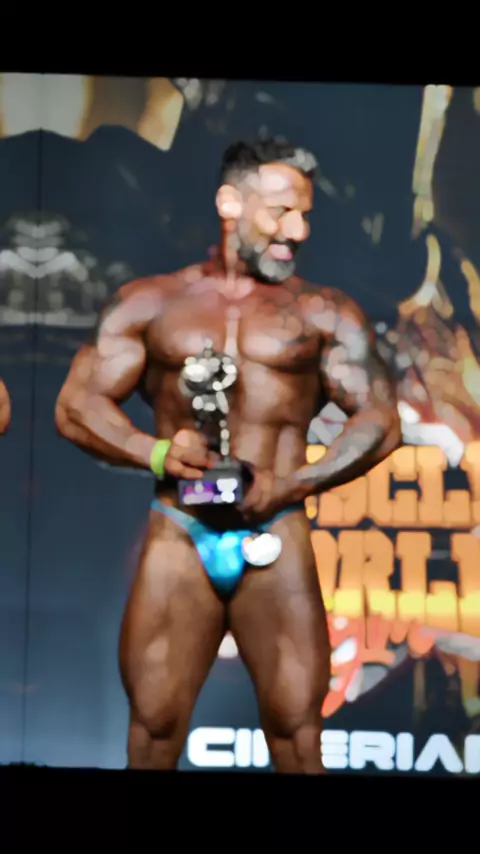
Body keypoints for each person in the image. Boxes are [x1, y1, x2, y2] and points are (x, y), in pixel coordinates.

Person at [54, 137, 401, 773]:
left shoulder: (321, 313)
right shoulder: (154, 302)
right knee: (153, 734)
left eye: (305, 215)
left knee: (298, 739)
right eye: (281, 212)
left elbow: (381, 422)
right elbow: (76, 405)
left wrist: (294, 484)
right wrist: (155, 451)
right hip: (180, 530)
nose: (297, 231)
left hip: (275, 529)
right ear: (229, 203)